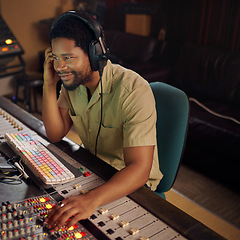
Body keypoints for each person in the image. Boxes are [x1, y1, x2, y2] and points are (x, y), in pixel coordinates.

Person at [42, 11, 163, 231]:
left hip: (134, 186)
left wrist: (91, 200)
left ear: (95, 52)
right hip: (95, 172)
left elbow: (139, 168)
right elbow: (55, 133)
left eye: (68, 57)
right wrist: (49, 84)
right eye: (56, 58)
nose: (60, 67)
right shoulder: (72, 83)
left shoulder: (133, 90)